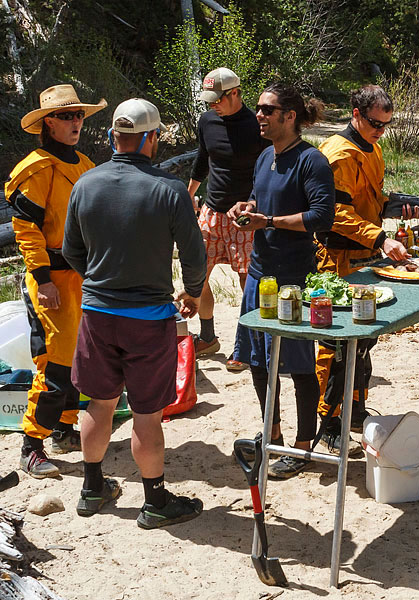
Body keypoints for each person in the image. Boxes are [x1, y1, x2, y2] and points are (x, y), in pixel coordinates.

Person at [63, 98, 207, 527]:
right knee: (147, 412)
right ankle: (156, 501)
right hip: (148, 316)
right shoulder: (169, 189)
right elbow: (194, 256)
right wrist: (194, 293)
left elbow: (71, 250)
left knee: (98, 402)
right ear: (151, 139)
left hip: (98, 313)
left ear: (112, 137)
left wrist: (100, 281)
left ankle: (92, 488)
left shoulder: (85, 184)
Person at [229, 83, 335, 479]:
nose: (259, 115)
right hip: (259, 275)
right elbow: (261, 199)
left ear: (290, 116)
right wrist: (249, 207)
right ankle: (271, 435)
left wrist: (269, 222)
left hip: (294, 279)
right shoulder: (264, 157)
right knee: (258, 361)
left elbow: (321, 217)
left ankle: (302, 446)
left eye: (267, 110)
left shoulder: (311, 161)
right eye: (258, 108)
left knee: (299, 364)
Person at [4, 84, 107, 478]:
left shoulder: (84, 164)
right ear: (48, 122)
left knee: (82, 358)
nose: (76, 121)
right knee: (55, 364)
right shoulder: (35, 168)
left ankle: (65, 429)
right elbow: (27, 229)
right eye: (67, 116)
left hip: (82, 277)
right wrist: (43, 280)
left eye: (79, 115)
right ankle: (31, 444)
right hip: (51, 279)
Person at [313, 85, 409, 455]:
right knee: (336, 343)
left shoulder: (374, 147)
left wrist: (400, 204)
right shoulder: (337, 154)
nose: (380, 130)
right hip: (337, 257)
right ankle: (328, 424)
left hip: (366, 255)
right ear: (356, 114)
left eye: (386, 125)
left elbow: (372, 197)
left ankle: (353, 410)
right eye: (374, 123)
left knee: (364, 340)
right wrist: (380, 238)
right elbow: (336, 213)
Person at [187, 68, 271, 371]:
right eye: (208, 101)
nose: (212, 106)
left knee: (248, 282)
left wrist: (254, 204)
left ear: (235, 93)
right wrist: (189, 194)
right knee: (196, 274)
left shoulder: (257, 126)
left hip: (245, 216)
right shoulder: (207, 121)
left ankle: (245, 346)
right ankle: (207, 337)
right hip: (212, 210)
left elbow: (268, 170)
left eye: (217, 100)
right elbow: (202, 159)